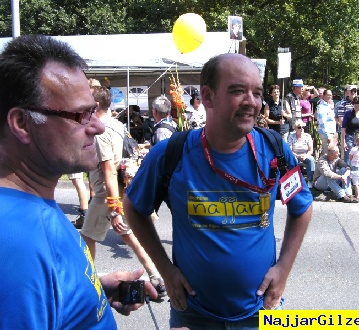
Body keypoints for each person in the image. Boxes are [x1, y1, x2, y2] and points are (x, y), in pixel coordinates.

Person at [123, 53, 313, 329]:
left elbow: (302, 207)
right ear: (208, 97)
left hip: (262, 311)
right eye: (237, 91)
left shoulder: (275, 150)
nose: (251, 102)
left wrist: (283, 269)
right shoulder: (171, 154)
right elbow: (134, 208)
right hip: (193, 312)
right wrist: (165, 269)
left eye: (257, 93)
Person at [0, 35, 158, 329]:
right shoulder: (16, 243)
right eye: (82, 115)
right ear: (22, 123)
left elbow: (40, 295)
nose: (97, 126)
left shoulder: (30, 207)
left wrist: (88, 291)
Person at [80, 86, 166, 298]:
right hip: (121, 189)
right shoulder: (118, 125)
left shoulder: (101, 131)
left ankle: (86, 282)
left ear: (96, 105)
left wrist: (114, 208)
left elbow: (109, 171)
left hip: (105, 193)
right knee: (128, 235)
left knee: (88, 236)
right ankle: (156, 274)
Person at [341, 95, 359, 164]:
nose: (357, 108)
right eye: (356, 106)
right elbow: (343, 128)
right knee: (348, 158)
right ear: (353, 105)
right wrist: (343, 142)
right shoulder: (348, 114)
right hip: (350, 137)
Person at [287, 119, 315, 188]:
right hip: (295, 155)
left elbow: (311, 150)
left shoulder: (307, 136)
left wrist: (305, 156)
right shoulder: (291, 137)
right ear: (295, 128)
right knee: (293, 160)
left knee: (311, 159)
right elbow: (289, 151)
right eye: (299, 127)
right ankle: (295, 181)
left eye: (303, 127)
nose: (302, 129)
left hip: (305, 155)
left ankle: (310, 180)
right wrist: (297, 156)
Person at [316, 89, 337, 156]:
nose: (330, 97)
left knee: (330, 153)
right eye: (328, 95)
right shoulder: (321, 106)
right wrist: (327, 134)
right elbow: (322, 122)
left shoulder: (328, 106)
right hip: (326, 133)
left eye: (331, 95)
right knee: (327, 153)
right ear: (324, 95)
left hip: (331, 132)